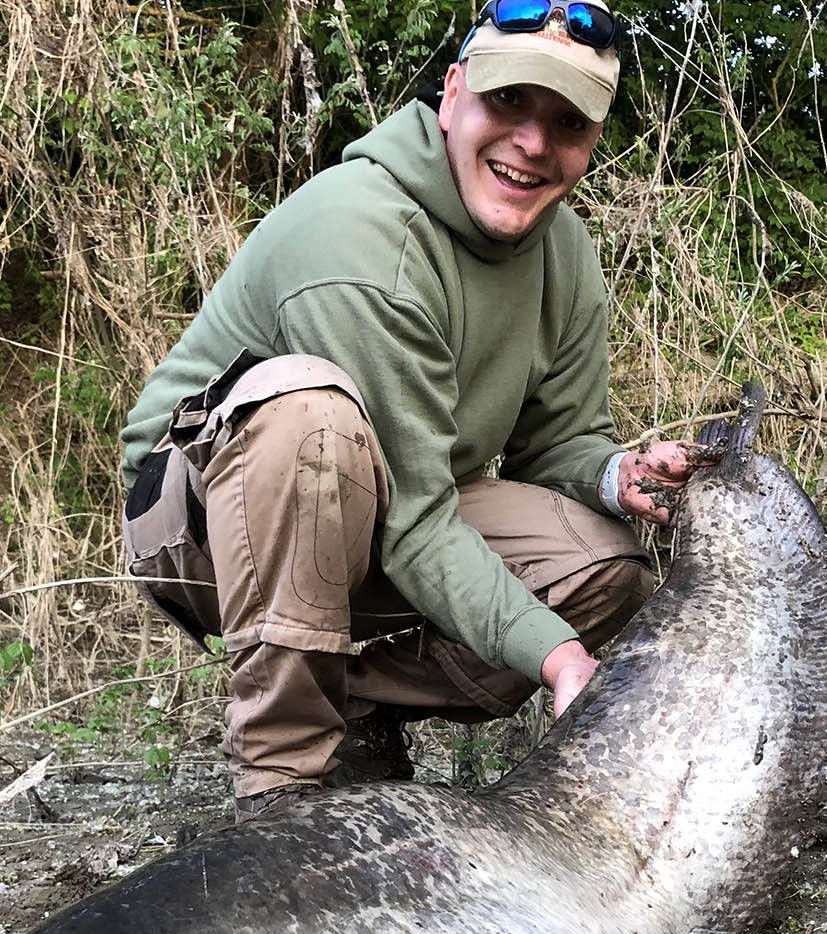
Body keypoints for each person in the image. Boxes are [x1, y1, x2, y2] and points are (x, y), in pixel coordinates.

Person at [118, 1, 704, 820]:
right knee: (309, 423)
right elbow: (419, 524)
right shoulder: (359, 236)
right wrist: (560, 659)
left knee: (606, 565)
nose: (533, 144)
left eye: (567, 122)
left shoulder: (565, 252)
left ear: (593, 140)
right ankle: (281, 790)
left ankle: (357, 709)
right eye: (509, 103)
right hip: (202, 524)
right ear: (454, 93)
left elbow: (555, 445)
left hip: (388, 500)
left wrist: (615, 475)